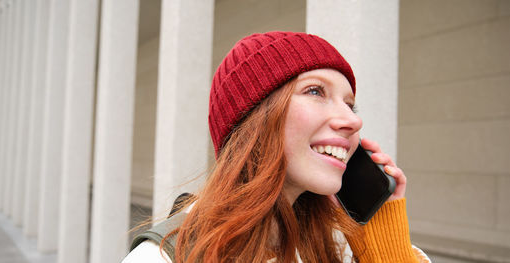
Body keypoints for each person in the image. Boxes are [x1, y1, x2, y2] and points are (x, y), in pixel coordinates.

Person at [123, 31, 430, 263]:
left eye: (351, 105)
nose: (352, 120)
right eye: (315, 91)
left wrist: (385, 244)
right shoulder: (162, 256)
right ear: (253, 120)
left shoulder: (337, 247)